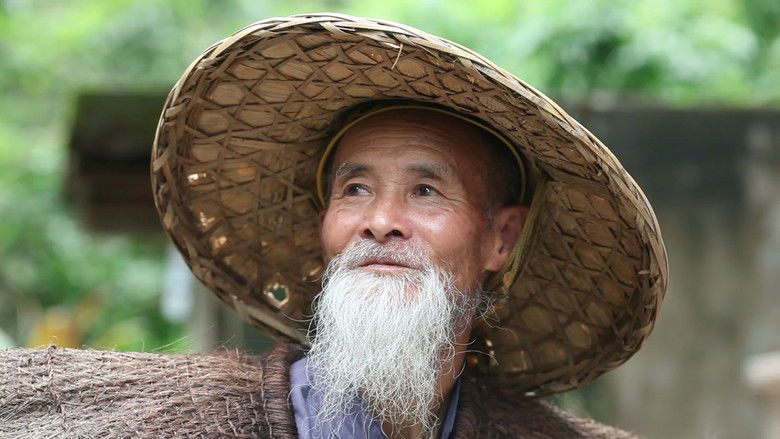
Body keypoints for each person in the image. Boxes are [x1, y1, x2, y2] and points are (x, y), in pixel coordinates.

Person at [0, 13, 666, 439]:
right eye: (355, 189)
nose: (380, 222)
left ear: (502, 238)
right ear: (326, 223)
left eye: (425, 190)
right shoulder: (165, 421)